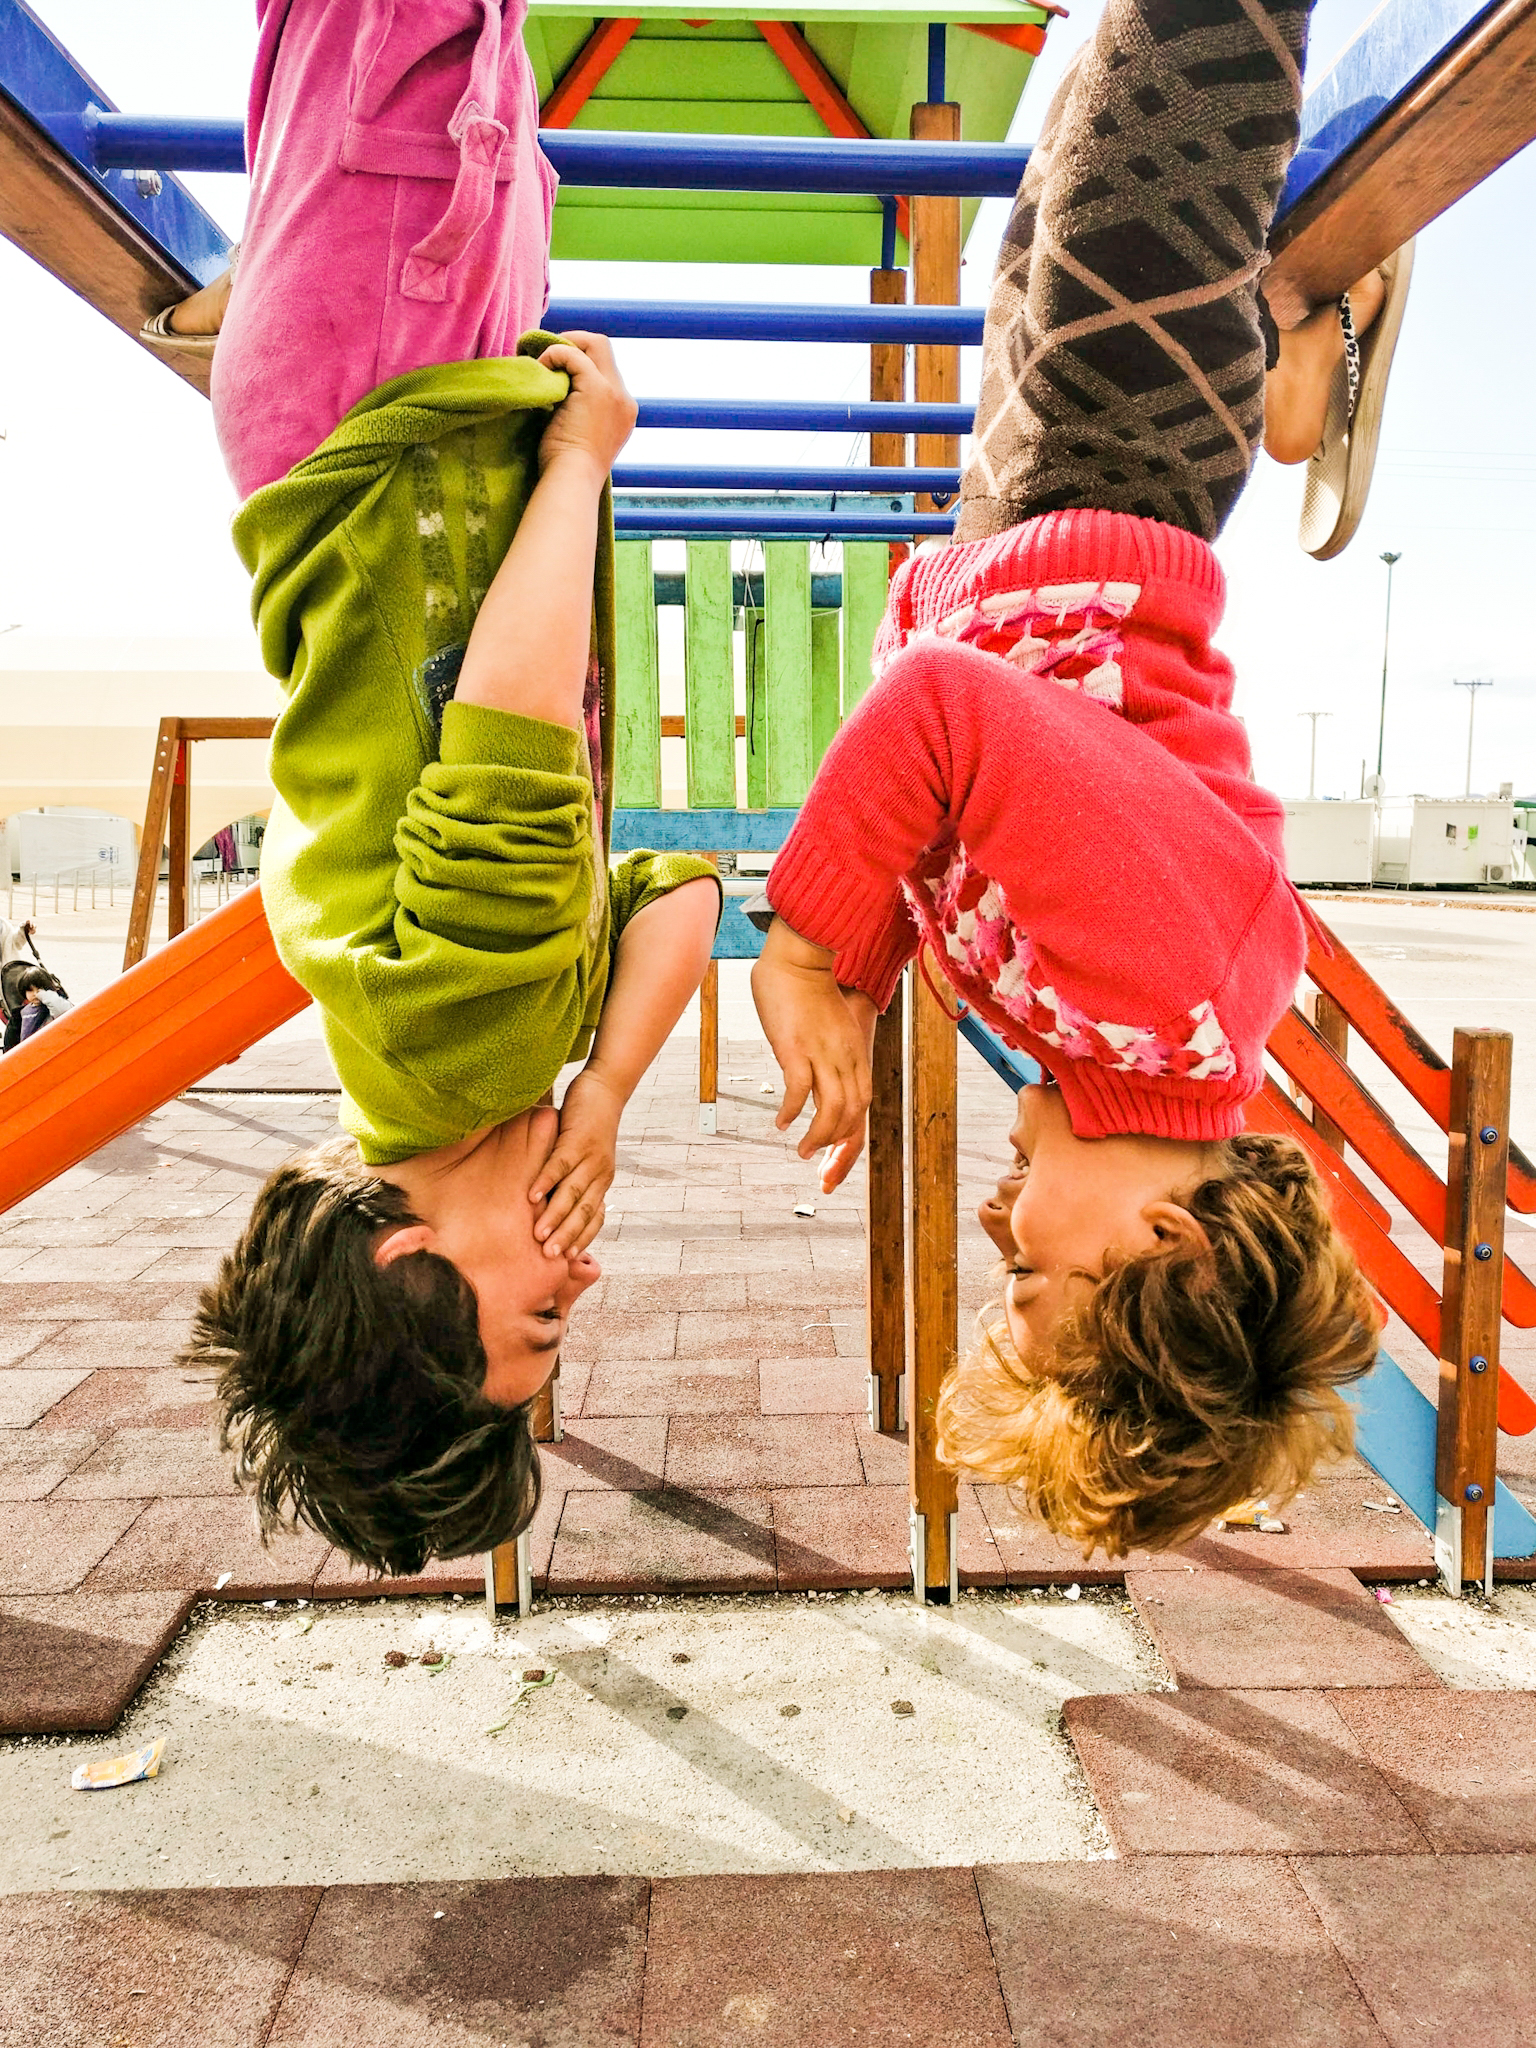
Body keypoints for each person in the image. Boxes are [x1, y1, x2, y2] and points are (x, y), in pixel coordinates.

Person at [751, 0, 1384, 1559]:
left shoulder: (1106, 1048)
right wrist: (812, 951)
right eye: (1033, 1280)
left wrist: (885, 952)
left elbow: (965, 841)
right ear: (1162, 1243)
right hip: (1119, 457)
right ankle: (1292, 344)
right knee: (1176, 92)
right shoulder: (1161, 983)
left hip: (1024, 517)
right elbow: (949, 720)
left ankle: (1287, 362)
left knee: (1043, 200)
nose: (995, 1236)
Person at [166, 2, 721, 1578]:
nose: (582, 1282)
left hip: (394, 414)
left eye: (538, 1315)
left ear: (410, 1259)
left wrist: (586, 466)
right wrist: (602, 1092)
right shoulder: (455, 1067)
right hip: (357, 423)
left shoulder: (458, 1033)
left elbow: (514, 722)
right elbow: (680, 895)